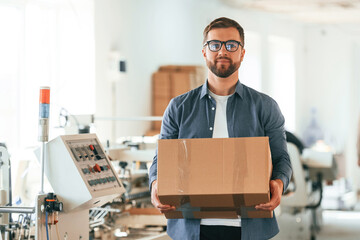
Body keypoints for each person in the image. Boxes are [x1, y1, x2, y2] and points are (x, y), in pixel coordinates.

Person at [149, 17, 292, 240]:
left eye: (231, 45)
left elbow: (282, 158)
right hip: (193, 228)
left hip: (249, 228)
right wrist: (155, 184)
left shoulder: (265, 107)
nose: (222, 51)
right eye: (215, 44)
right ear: (204, 52)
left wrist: (279, 183)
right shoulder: (179, 108)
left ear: (242, 53)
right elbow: (161, 160)